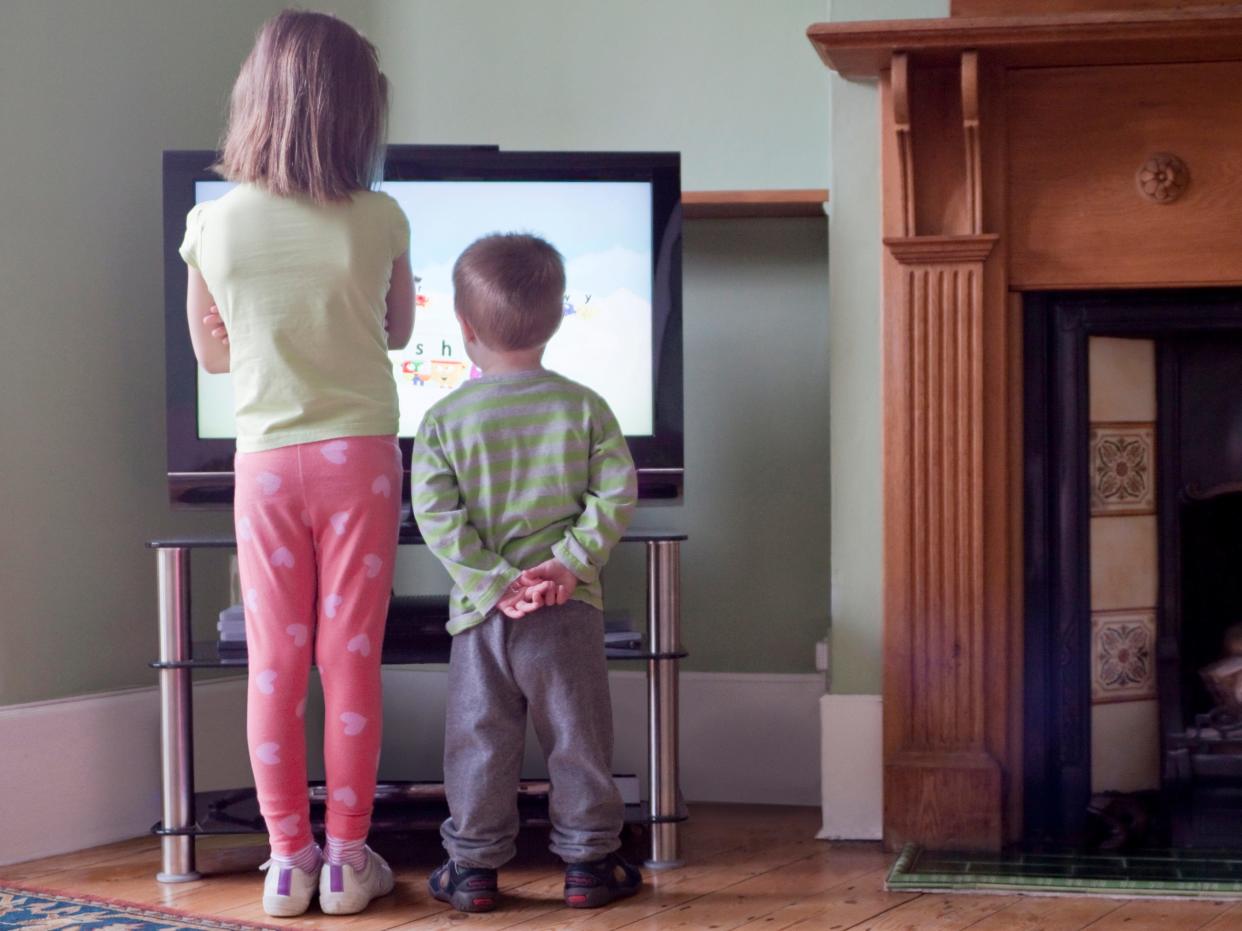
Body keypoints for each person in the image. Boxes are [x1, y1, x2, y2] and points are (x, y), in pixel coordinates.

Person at [178, 9, 413, 918]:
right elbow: (396, 330)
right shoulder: (381, 216)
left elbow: (215, 355)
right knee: (350, 653)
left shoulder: (211, 225)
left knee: (275, 659)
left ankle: (286, 859)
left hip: (267, 461)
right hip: (361, 455)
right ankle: (351, 857)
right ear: (358, 116)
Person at [411, 233, 643, 912]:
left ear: (464, 326)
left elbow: (436, 511)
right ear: (558, 314)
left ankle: (474, 871)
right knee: (578, 738)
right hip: (566, 610)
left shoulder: (442, 418)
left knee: (480, 740)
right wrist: (569, 563)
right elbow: (616, 491)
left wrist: (491, 581)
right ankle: (589, 866)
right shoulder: (585, 406)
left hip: (484, 617)